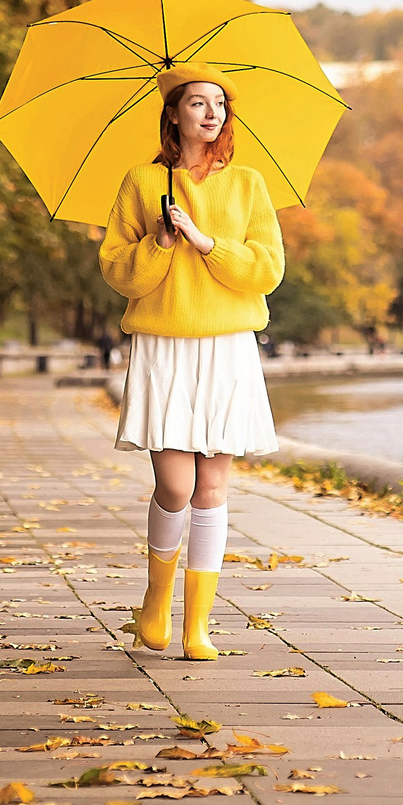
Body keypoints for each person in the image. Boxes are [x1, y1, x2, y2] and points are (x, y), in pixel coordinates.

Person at [98, 65, 284, 660]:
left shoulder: (249, 185)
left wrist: (207, 244)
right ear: (173, 113)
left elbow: (267, 270)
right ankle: (155, 603)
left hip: (228, 345)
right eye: (198, 103)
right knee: (174, 487)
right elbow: (116, 271)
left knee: (213, 486)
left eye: (220, 104)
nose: (211, 113)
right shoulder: (142, 182)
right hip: (165, 345)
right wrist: (159, 242)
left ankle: (197, 626)